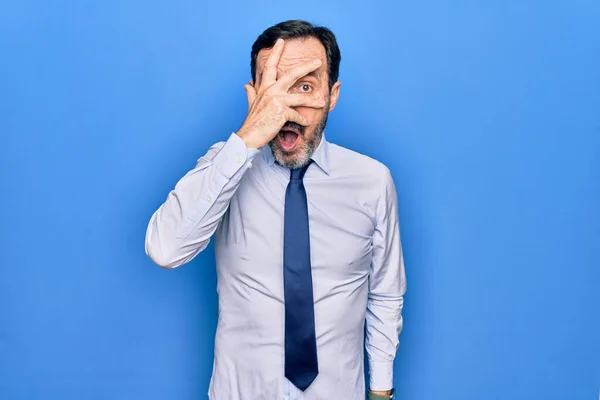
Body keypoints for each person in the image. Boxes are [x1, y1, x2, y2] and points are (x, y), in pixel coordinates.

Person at [145, 19, 407, 400]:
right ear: (254, 94)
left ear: (332, 95)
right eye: (273, 86)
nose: (288, 106)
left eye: (304, 86)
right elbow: (165, 249)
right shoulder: (224, 167)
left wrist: (381, 391)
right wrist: (249, 136)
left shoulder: (372, 180)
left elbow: (385, 292)